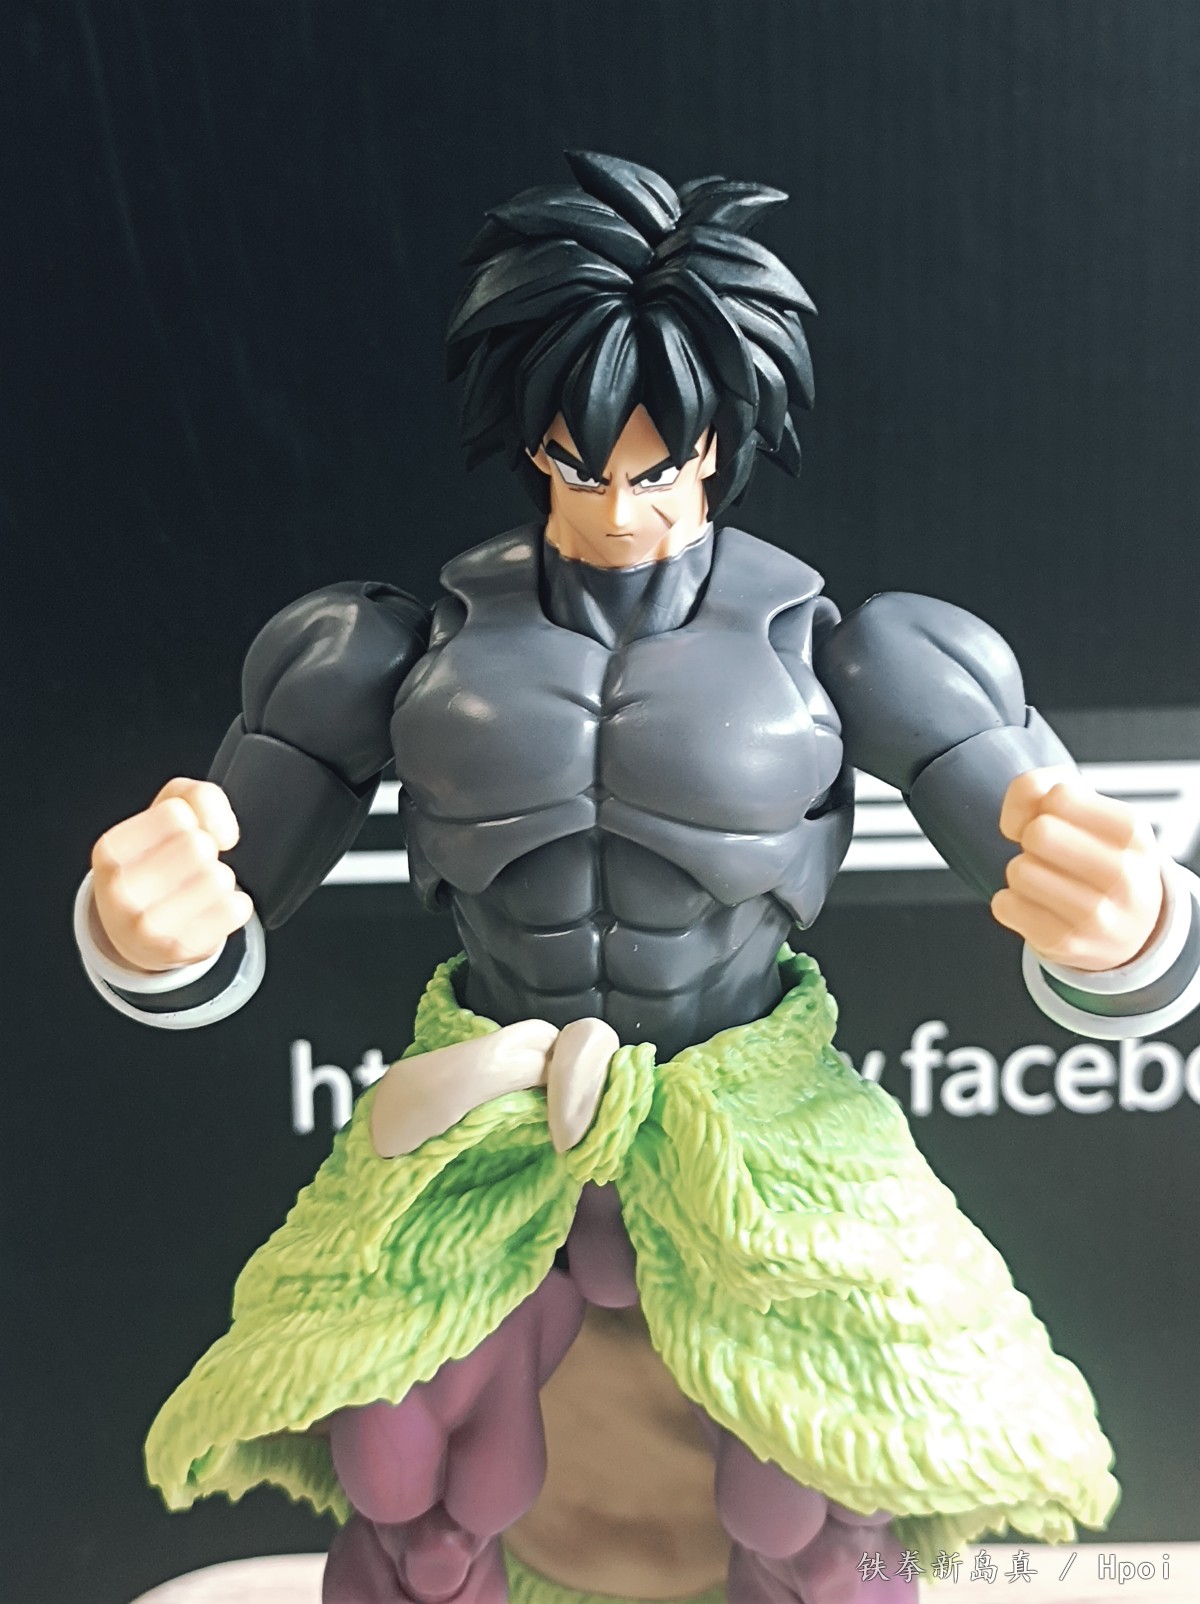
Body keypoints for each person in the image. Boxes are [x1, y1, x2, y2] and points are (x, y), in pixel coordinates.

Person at [76, 153, 1200, 1604]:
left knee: (829, 1491)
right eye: (577, 464)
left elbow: (1080, 892)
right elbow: (223, 898)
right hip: (486, 1118)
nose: (616, 508)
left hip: (756, 1123)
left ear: (726, 439)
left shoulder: (859, 655)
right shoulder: (385, 652)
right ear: (527, 440)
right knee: (405, 1493)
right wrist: (146, 933)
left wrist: (1129, 928)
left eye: (656, 469)